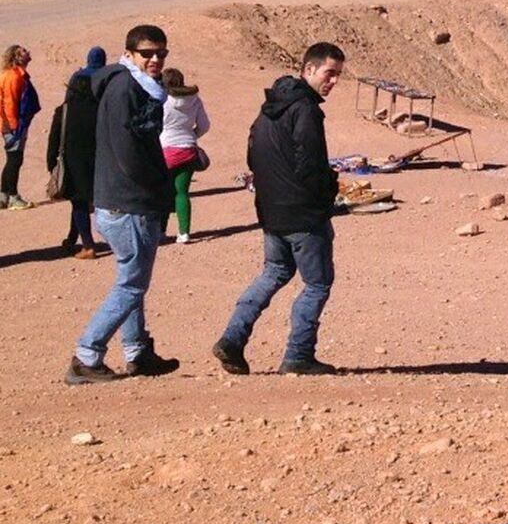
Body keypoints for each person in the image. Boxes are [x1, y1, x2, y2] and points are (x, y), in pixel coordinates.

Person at [214, 42, 346, 376]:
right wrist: (328, 192)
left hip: (272, 212)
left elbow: (252, 156)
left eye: (338, 75)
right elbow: (310, 163)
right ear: (309, 69)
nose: (333, 81)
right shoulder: (305, 110)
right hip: (303, 215)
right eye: (329, 73)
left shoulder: (269, 107)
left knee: (274, 273)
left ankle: (232, 339)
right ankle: (298, 355)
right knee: (317, 284)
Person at [66, 26, 180, 383]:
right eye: (147, 53)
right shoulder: (124, 88)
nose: (155, 59)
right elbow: (129, 153)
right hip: (128, 202)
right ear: (129, 53)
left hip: (126, 200)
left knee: (133, 281)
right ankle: (87, 355)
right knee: (132, 284)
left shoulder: (139, 86)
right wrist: (158, 189)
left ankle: (137, 352)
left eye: (161, 53)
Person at [45, 48, 105, 257]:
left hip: (72, 162)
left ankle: (88, 245)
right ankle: (72, 238)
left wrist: (51, 164)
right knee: (81, 199)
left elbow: (54, 140)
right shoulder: (100, 110)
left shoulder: (64, 110)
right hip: (97, 159)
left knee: (78, 201)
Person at [160, 68, 211, 244]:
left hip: (165, 151)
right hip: (188, 151)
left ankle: (161, 231)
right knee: (182, 192)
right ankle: (184, 233)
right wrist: (191, 136)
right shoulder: (195, 100)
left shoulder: (163, 101)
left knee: (163, 192)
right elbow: (204, 125)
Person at [1, 44, 41, 209]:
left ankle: (3, 195)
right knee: (15, 160)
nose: (27, 52)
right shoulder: (13, 76)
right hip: (13, 126)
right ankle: (13, 197)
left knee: (12, 159)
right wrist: (15, 128)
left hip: (13, 125)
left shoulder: (17, 75)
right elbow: (9, 103)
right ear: (16, 57)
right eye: (23, 51)